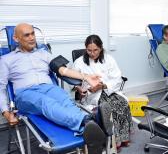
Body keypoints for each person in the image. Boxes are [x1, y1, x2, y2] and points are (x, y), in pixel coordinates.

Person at [0, 23, 112, 154]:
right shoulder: (6, 59)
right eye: (27, 35)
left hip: (49, 88)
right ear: (16, 39)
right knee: (46, 103)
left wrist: (86, 77)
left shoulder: (44, 54)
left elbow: (63, 70)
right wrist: (6, 112)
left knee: (65, 98)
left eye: (33, 34)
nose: (32, 38)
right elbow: (1, 88)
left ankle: (88, 129)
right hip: (26, 94)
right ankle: (90, 120)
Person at [73, 35, 133, 152]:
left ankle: (123, 137)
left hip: (108, 90)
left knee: (122, 103)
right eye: (89, 50)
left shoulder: (109, 59)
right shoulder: (79, 62)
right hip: (91, 94)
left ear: (101, 48)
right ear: (85, 49)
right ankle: (114, 141)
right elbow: (74, 82)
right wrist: (79, 88)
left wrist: (103, 85)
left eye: (95, 50)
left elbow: (117, 78)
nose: (92, 53)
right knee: (110, 108)